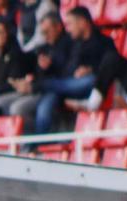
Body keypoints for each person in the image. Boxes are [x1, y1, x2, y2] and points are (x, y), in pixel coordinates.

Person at [33, 6, 117, 136]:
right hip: (65, 86)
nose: (68, 28)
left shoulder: (104, 42)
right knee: (45, 106)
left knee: (89, 80)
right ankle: (37, 145)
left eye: (70, 24)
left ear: (83, 22)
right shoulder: (70, 44)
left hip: (87, 85)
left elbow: (111, 66)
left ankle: (38, 85)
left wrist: (90, 69)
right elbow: (62, 69)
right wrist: (47, 67)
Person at [0, 13, 71, 123]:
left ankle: (33, 138)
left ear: (58, 27)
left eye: (48, 31)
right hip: (36, 88)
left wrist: (49, 68)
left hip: (53, 89)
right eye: (43, 32)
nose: (45, 35)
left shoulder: (68, 45)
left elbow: (66, 73)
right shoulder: (43, 49)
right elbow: (35, 72)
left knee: (18, 108)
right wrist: (30, 78)